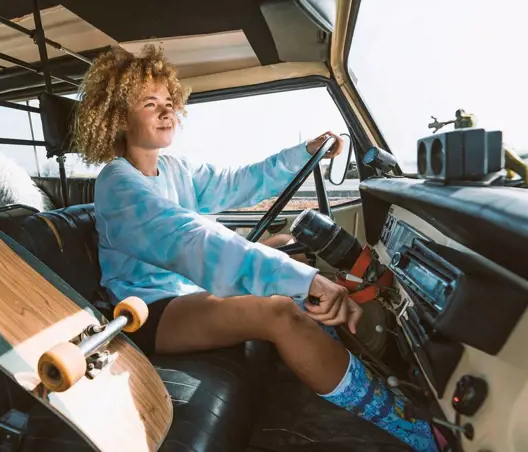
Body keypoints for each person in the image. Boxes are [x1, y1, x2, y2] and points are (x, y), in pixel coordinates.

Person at [72, 45, 444, 452]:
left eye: (168, 101)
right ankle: (411, 428)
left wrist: (302, 154)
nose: (166, 112)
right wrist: (306, 282)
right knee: (281, 311)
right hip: (150, 311)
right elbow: (196, 241)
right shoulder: (118, 184)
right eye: (149, 103)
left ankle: (350, 371)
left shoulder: (174, 168)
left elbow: (238, 182)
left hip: (186, 293)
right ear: (117, 117)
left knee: (287, 246)